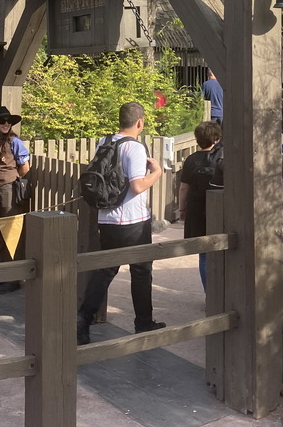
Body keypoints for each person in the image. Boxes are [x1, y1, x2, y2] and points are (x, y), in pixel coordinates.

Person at [77, 101, 164, 344]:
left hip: (107, 218)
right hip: (133, 220)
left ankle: (83, 317)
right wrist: (156, 173)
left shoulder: (104, 142)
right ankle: (143, 323)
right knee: (141, 271)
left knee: (106, 270)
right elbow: (137, 186)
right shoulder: (135, 148)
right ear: (140, 122)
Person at [0, 105, 31, 294]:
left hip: (8, 190)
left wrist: (13, 180)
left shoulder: (14, 142)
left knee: (10, 232)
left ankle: (12, 278)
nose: (6, 124)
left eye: (8, 121)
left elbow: (25, 167)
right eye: (2, 121)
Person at [178, 121, 223, 290]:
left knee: (204, 254)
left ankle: (209, 293)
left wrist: (182, 209)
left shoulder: (191, 160)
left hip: (196, 209)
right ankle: (221, 291)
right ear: (216, 138)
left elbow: (184, 188)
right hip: (219, 209)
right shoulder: (222, 158)